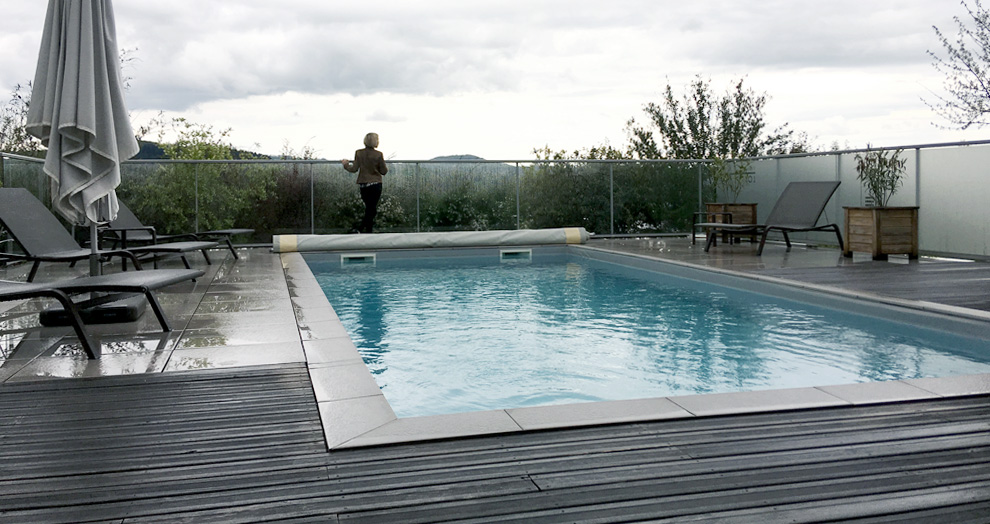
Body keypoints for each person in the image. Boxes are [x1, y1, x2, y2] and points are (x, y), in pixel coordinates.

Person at [341, 132, 388, 233]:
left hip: (364, 185)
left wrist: (346, 165)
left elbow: (354, 169)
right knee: (372, 209)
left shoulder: (359, 153)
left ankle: (365, 231)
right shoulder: (378, 155)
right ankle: (362, 230)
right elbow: (384, 171)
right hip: (375, 184)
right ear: (375, 141)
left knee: (369, 208)